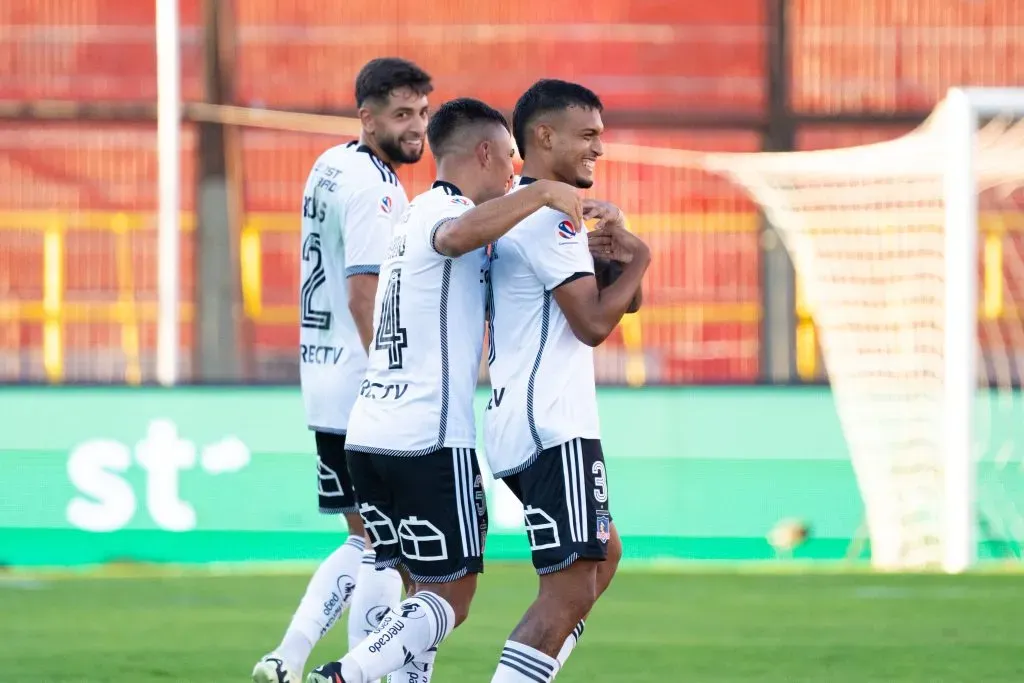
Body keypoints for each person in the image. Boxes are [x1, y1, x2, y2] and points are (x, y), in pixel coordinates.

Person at [305, 97, 583, 683]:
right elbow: (456, 236)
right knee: (451, 601)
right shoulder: (442, 210)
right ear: (484, 153)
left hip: (370, 434)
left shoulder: (409, 215)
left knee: (409, 585)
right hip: (428, 437)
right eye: (511, 159)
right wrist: (542, 193)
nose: (515, 172)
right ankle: (346, 675)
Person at [253, 57, 433, 683]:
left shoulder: (330, 164)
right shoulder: (376, 188)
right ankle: (359, 673)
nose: (417, 128)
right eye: (402, 114)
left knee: (366, 542)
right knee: (396, 553)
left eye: (422, 113)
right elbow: (365, 293)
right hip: (365, 386)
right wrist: (394, 378)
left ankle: (289, 656)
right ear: (368, 116)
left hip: (324, 379)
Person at [483, 79, 649, 682]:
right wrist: (643, 258)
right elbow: (594, 324)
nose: (598, 149)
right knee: (567, 591)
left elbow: (618, 304)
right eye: (588, 135)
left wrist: (617, 253)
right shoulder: (548, 222)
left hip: (526, 420)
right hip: (552, 424)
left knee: (603, 556)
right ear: (544, 136)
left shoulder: (535, 213)